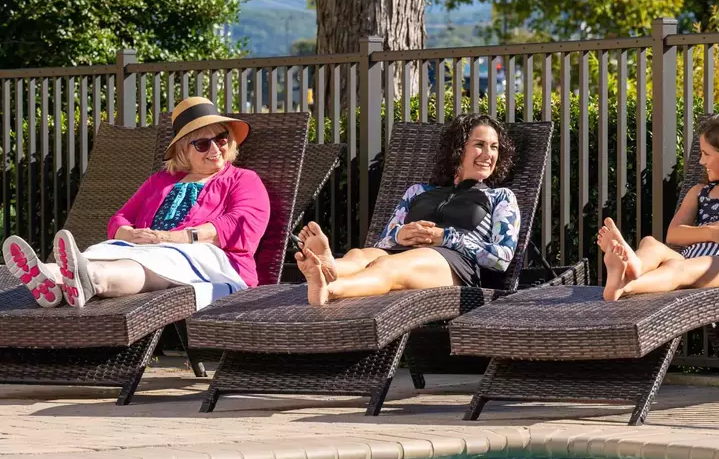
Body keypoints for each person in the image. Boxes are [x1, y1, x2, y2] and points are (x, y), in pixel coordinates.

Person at [2, 96, 269, 309]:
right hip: (147, 248)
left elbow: (240, 223)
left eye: (221, 139)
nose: (215, 149)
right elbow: (120, 218)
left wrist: (173, 237)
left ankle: (91, 280)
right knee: (104, 249)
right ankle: (49, 275)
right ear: (184, 150)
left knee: (151, 262)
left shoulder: (243, 180)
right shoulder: (162, 181)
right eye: (202, 144)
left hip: (214, 262)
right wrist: (128, 233)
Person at [295, 113, 521, 305]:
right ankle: (329, 266)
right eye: (479, 145)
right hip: (401, 252)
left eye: (494, 147)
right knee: (360, 255)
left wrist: (445, 237)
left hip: (455, 266)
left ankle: (329, 290)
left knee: (386, 266)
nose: (488, 154)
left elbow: (501, 258)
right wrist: (400, 235)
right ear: (458, 149)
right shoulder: (418, 192)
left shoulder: (500, 197)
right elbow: (383, 242)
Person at [598, 112, 719, 301]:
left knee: (677, 269)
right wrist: (712, 232)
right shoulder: (699, 191)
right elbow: (673, 234)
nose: (701, 161)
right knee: (650, 243)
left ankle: (626, 285)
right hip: (691, 257)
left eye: (706, 154)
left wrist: (709, 232)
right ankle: (634, 267)